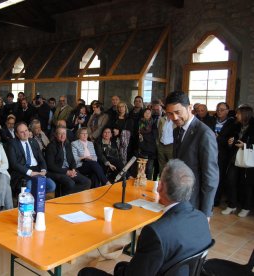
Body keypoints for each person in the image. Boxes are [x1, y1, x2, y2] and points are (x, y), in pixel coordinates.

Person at [78, 159, 212, 276]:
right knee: (122, 266)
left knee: (86, 272)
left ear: (160, 187)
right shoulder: (201, 219)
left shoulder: (156, 233)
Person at [165, 91, 219, 218]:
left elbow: (211, 177)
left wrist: (206, 213)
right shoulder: (177, 130)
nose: (174, 117)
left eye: (178, 112)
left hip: (194, 200)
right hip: (178, 197)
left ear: (190, 108)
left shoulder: (204, 134)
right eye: (170, 113)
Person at [221, 104, 254, 217]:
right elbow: (230, 139)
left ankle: (246, 207)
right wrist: (230, 142)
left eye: (238, 113)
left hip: (248, 160)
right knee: (230, 181)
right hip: (234, 158)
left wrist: (246, 145)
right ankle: (232, 205)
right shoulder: (235, 125)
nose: (236, 115)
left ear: (245, 114)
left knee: (246, 185)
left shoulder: (253, 127)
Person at [7, 122, 56, 195]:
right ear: (17, 134)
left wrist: (43, 170)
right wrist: (30, 173)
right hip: (23, 172)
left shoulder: (33, 141)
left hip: (37, 170)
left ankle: (35, 198)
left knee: (52, 186)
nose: (25, 133)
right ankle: (30, 201)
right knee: (29, 187)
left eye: (26, 130)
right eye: (22, 132)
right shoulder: (12, 144)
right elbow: (14, 164)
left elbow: (41, 159)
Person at [46, 126, 91, 196]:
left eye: (64, 133)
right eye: (60, 134)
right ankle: (63, 197)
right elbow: (50, 166)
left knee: (87, 182)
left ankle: (66, 195)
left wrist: (73, 169)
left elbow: (72, 160)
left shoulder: (68, 144)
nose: (62, 136)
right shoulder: (51, 146)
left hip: (69, 170)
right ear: (56, 135)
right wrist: (66, 172)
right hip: (56, 171)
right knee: (70, 183)